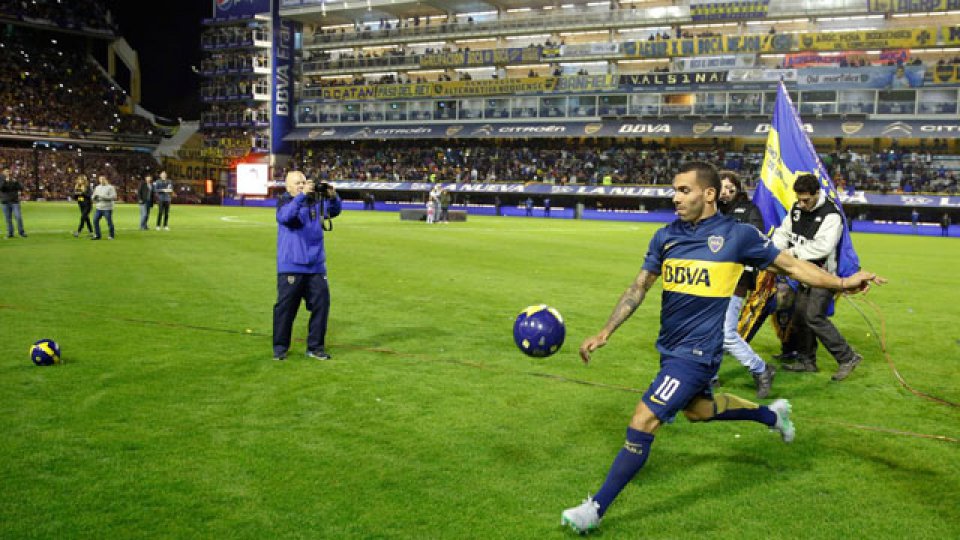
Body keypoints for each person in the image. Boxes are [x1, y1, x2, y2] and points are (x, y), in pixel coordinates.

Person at [560, 162, 885, 534]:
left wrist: (843, 282)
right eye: (674, 189)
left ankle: (595, 509)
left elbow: (792, 267)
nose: (675, 196)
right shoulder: (665, 237)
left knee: (643, 419)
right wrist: (606, 331)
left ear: (709, 194)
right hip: (670, 348)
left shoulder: (737, 236)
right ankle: (773, 416)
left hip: (697, 354)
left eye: (684, 190)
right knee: (700, 411)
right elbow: (638, 288)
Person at [772, 174, 862, 380]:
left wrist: (792, 253)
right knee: (801, 316)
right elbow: (782, 233)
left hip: (824, 275)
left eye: (807, 200)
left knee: (814, 317)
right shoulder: (795, 209)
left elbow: (823, 247)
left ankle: (847, 357)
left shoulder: (832, 215)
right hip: (803, 274)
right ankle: (807, 361)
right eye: (799, 199)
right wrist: (777, 249)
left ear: (817, 193)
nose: (802, 204)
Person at [717, 170, 776, 398]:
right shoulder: (709, 211)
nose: (726, 192)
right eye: (722, 188)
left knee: (726, 333)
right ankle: (709, 376)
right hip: (712, 278)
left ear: (738, 189)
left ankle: (761, 369)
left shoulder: (750, 211)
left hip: (738, 278)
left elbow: (754, 240)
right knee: (709, 329)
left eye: (730, 188)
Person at [272, 170, 342, 361]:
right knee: (285, 310)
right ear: (287, 187)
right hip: (291, 266)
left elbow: (335, 211)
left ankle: (315, 348)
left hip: (316, 267)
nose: (302, 185)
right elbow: (286, 217)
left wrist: (333, 196)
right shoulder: (285, 202)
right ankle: (280, 349)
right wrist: (302, 197)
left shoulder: (315, 201)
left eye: (304, 182)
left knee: (321, 306)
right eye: (297, 183)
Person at [0, 166, 27, 238]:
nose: (8, 173)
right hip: (5, 202)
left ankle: (21, 232)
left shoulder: (14, 179)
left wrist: (16, 182)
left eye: (9, 171)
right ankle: (10, 233)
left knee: (18, 217)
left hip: (14, 201)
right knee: (8, 219)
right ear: (3, 172)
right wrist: (6, 181)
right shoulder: (1, 179)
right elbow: (1, 188)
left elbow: (21, 188)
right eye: (6, 171)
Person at [91, 175, 117, 240]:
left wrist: (102, 196)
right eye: (100, 179)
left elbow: (114, 197)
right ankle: (97, 235)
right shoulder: (97, 187)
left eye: (103, 179)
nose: (101, 180)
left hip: (107, 208)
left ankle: (111, 236)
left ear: (105, 179)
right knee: (95, 220)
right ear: (99, 180)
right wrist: (94, 198)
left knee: (109, 222)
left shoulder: (110, 187)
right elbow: (93, 196)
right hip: (99, 207)